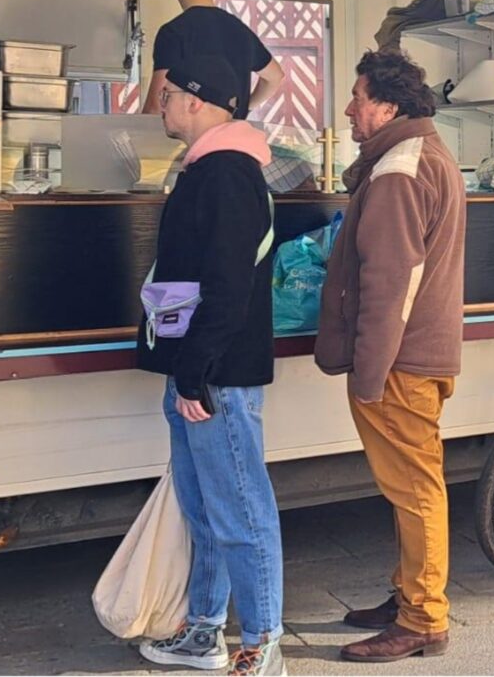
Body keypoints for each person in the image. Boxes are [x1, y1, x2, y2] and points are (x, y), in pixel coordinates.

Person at [135, 54, 285, 676]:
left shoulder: (226, 173)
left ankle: (262, 642)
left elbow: (227, 285)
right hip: (198, 370)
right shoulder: (208, 169)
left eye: (167, 95)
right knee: (205, 509)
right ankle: (204, 630)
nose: (160, 104)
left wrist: (195, 370)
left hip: (217, 374)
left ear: (195, 101)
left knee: (240, 509)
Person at [314, 49, 466, 662]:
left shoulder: (399, 169)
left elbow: (389, 282)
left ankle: (424, 618)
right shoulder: (424, 153)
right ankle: (408, 594)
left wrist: (369, 373)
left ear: (388, 105)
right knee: (413, 483)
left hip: (401, 361)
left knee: (414, 488)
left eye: (358, 97)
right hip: (420, 353)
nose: (349, 109)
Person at [142, 0, 285, 117]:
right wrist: (242, 109)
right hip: (233, 137)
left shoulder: (174, 32)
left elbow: (156, 106)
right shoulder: (240, 30)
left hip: (195, 141)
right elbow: (275, 76)